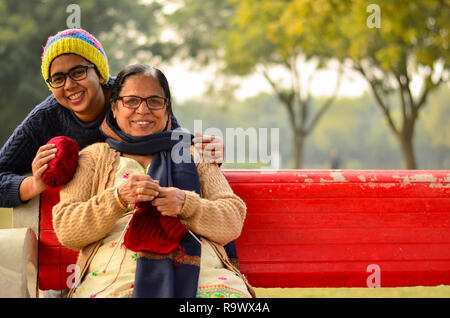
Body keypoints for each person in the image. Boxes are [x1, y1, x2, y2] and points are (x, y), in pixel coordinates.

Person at [52, 64, 254, 298]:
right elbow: (67, 228)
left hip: (202, 278)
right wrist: (118, 199)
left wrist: (185, 204)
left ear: (167, 110)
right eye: (131, 101)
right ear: (115, 107)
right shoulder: (92, 158)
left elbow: (232, 218)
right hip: (116, 280)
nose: (143, 110)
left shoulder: (193, 154)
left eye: (154, 101)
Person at [0, 28, 223, 208]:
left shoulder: (136, 96)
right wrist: (34, 183)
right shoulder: (44, 118)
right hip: (95, 218)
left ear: (99, 72)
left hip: (149, 205)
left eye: (78, 72)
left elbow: (174, 143)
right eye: (58, 78)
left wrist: (210, 152)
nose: (69, 85)